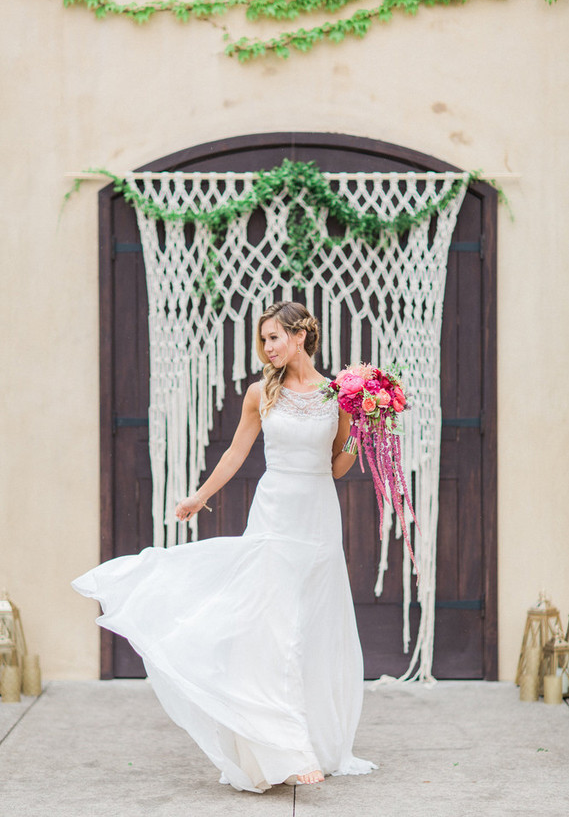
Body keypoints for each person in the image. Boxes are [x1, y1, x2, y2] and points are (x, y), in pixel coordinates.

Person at [72, 301, 377, 792]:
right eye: (264, 340)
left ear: (300, 337)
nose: (267, 347)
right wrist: (200, 496)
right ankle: (284, 747)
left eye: (274, 337)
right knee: (270, 625)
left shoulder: (338, 396)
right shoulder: (261, 393)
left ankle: (315, 739)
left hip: (318, 519)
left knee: (315, 626)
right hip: (275, 514)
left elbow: (336, 468)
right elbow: (237, 452)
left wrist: (364, 430)